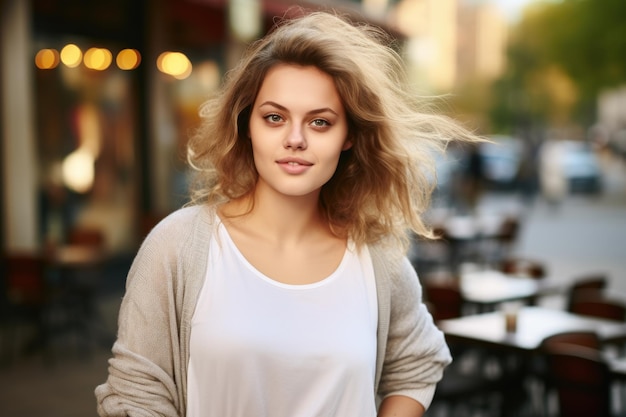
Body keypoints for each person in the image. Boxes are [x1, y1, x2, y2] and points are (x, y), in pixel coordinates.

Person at [95, 10, 479, 417]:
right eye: (274, 118)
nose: (294, 140)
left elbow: (416, 364)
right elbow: (134, 399)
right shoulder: (177, 247)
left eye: (320, 122)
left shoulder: (377, 259)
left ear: (348, 136)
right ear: (247, 125)